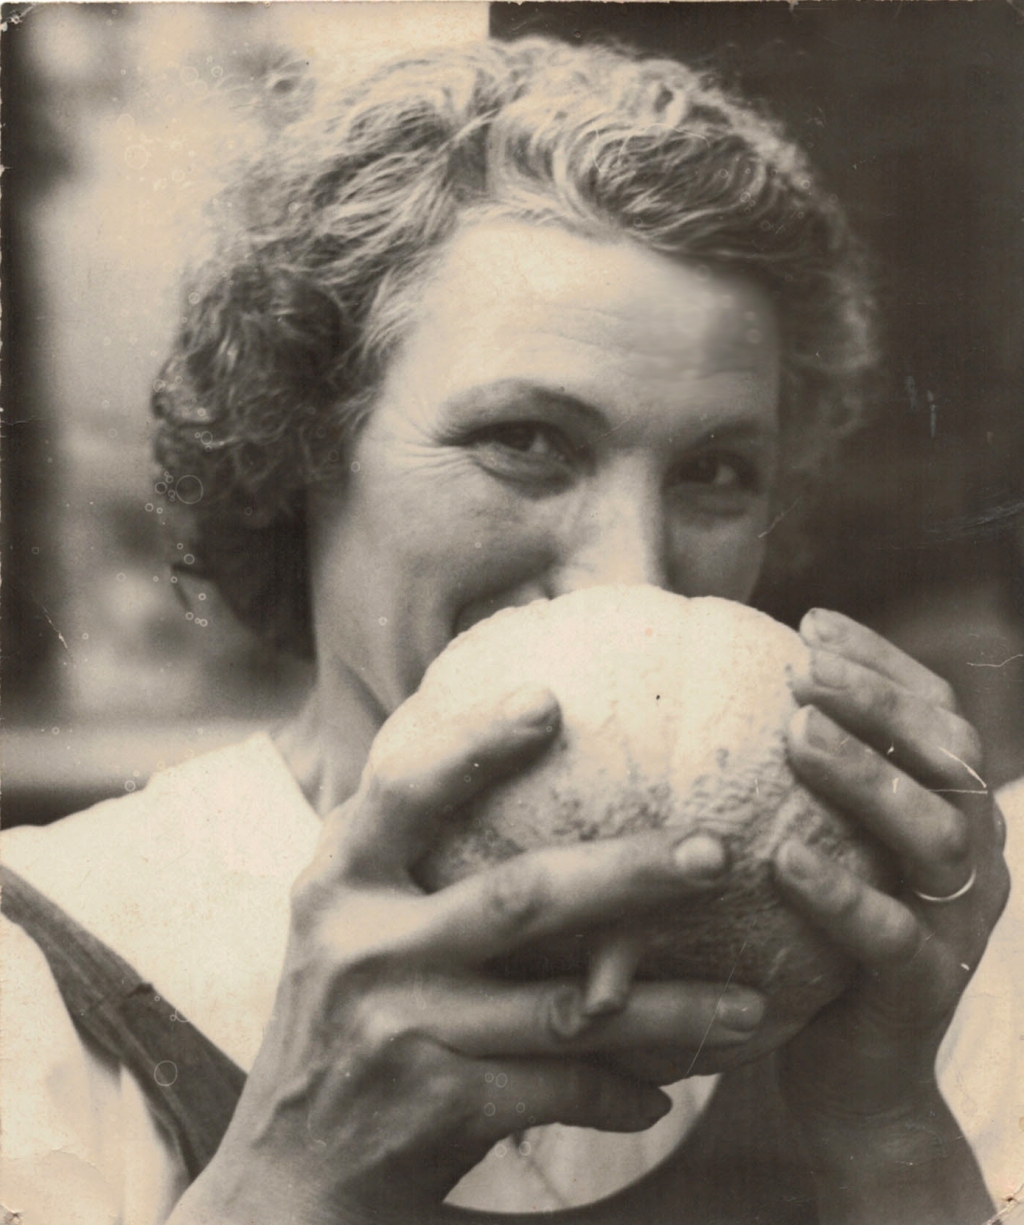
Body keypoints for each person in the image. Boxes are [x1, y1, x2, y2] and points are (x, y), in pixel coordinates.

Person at [2, 36, 1020, 1225]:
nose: (629, 577)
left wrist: (887, 1133)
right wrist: (295, 1174)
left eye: (714, 472)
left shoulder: (938, 966)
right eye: (525, 442)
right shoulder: (44, 971)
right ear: (301, 447)